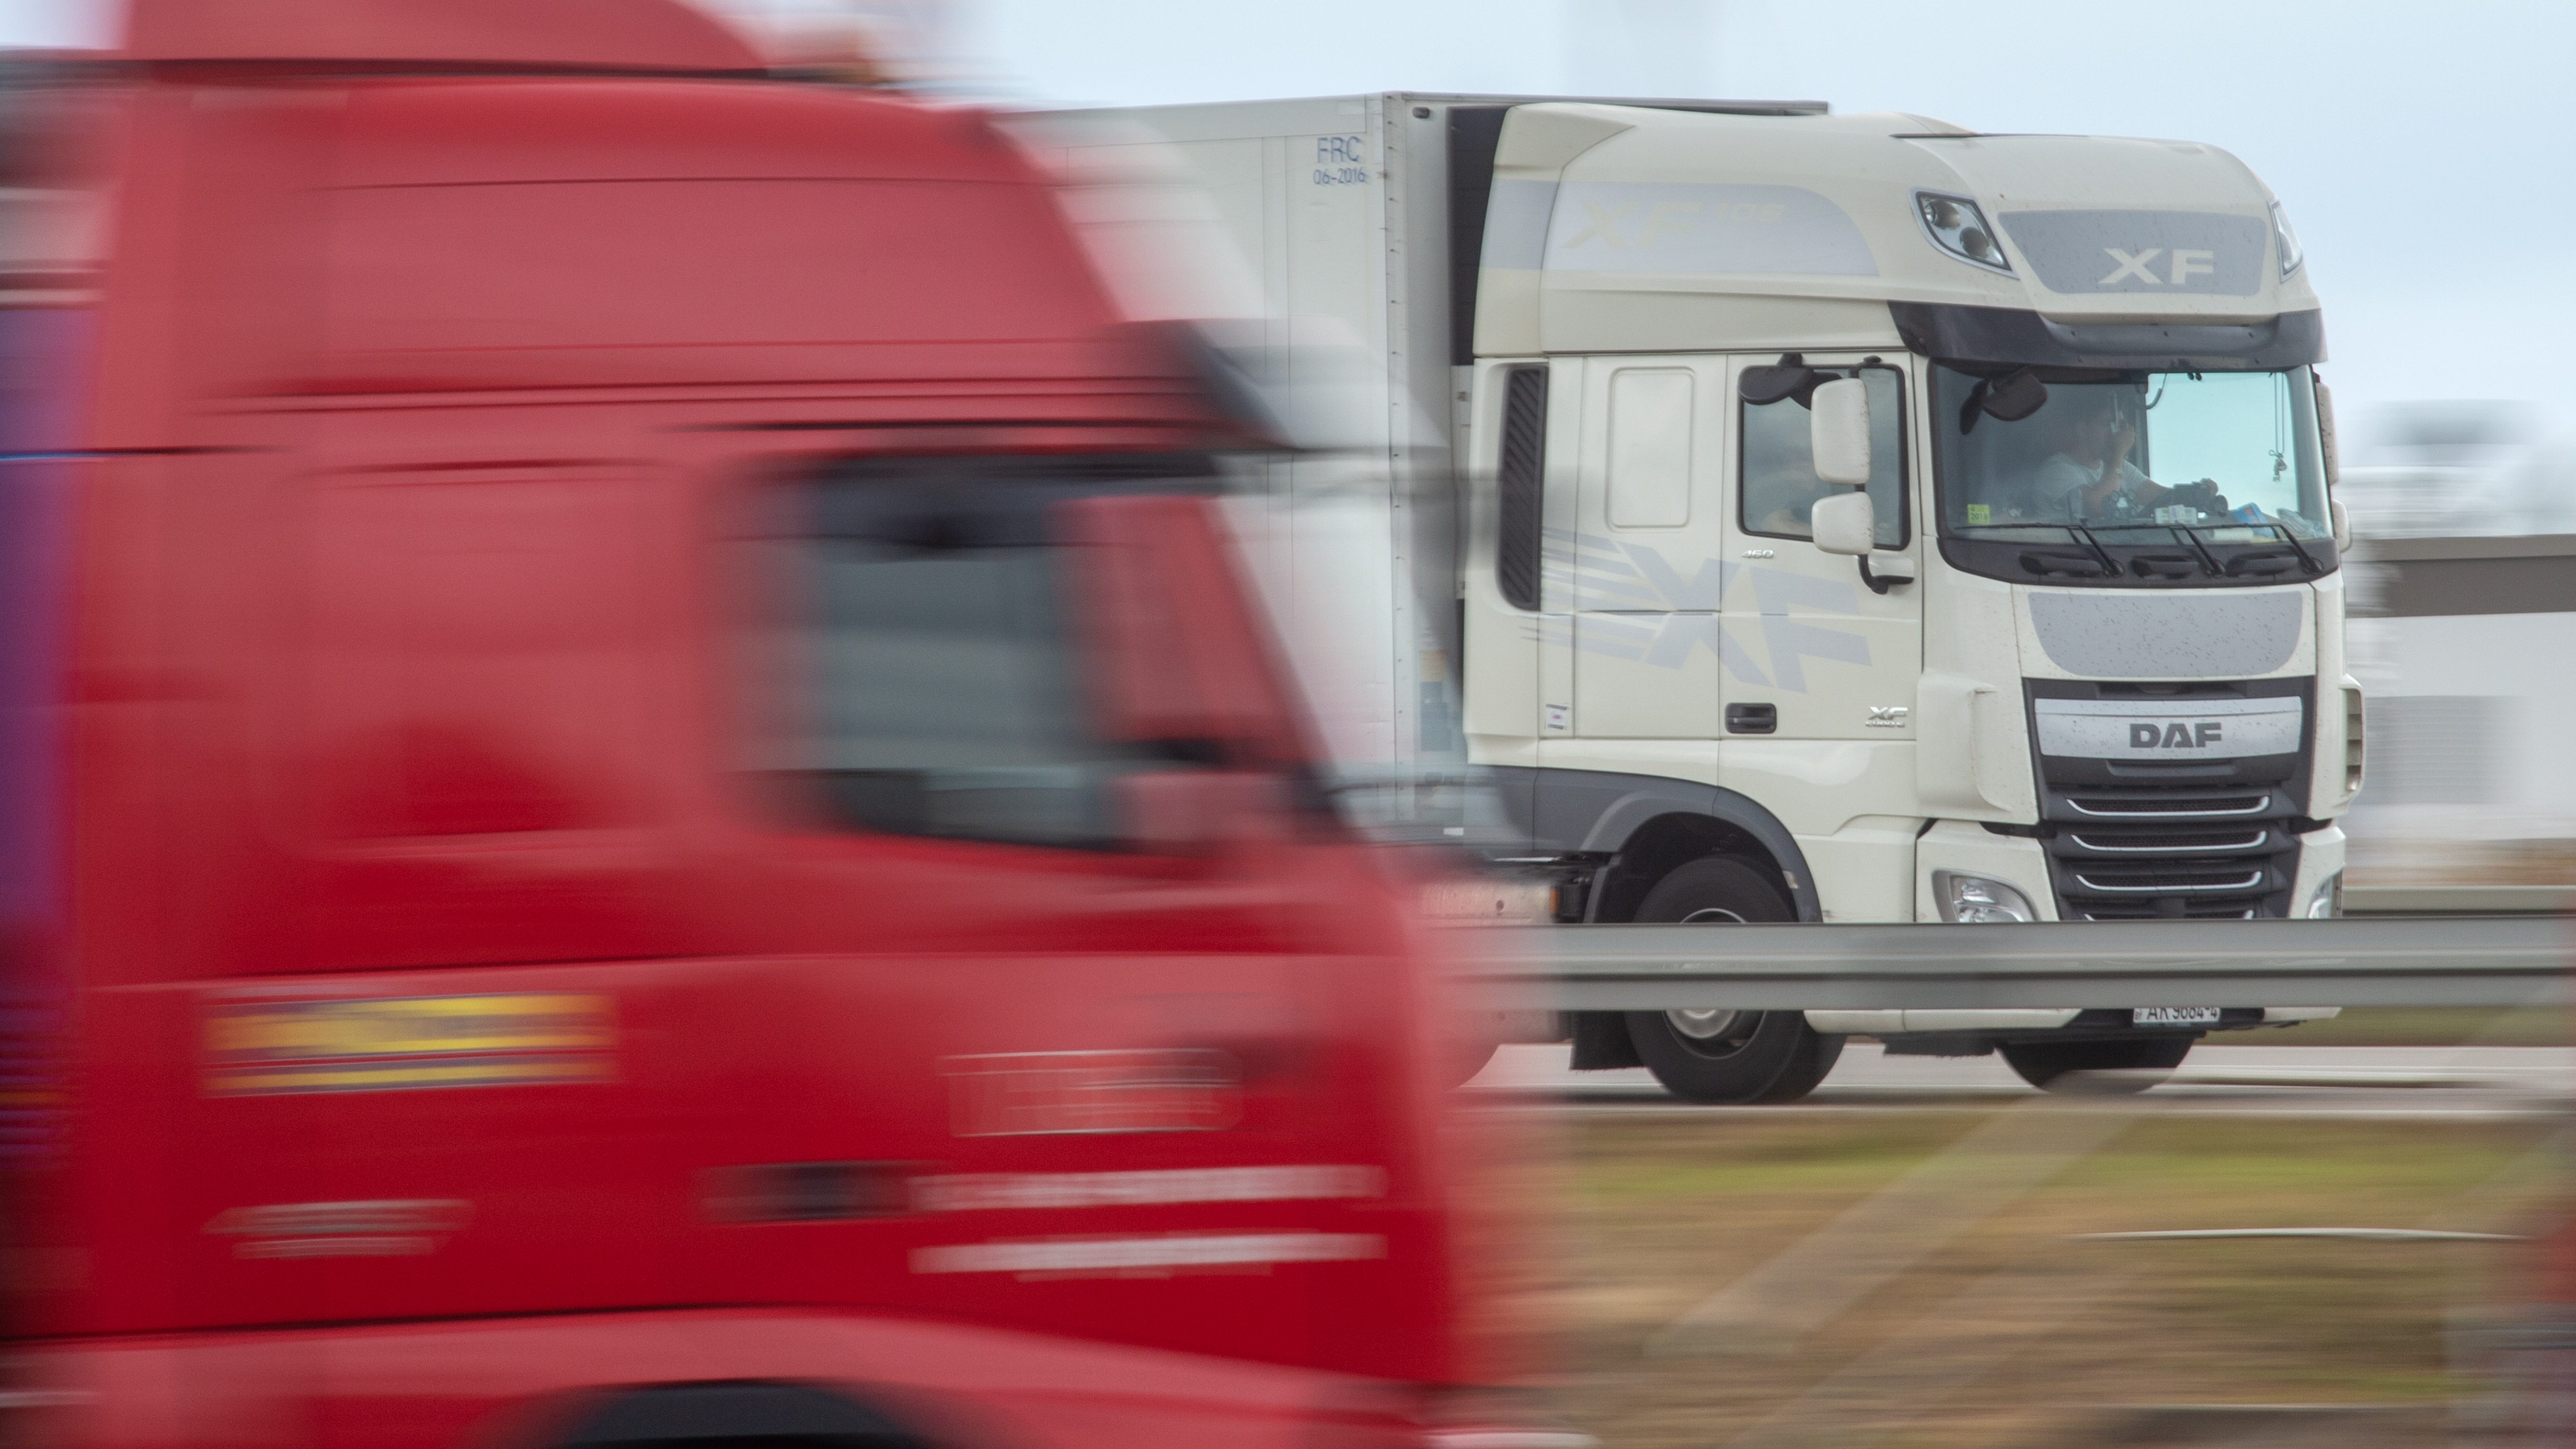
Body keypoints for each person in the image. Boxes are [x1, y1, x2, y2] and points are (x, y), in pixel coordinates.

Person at [2030, 393, 2224, 522]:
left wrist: (2197, 496)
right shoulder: (2056, 471)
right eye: (2108, 424)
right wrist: (2117, 454)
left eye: (2121, 426)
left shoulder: (2119, 466)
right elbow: (2099, 506)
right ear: (2083, 430)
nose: (2117, 434)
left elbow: (2157, 496)